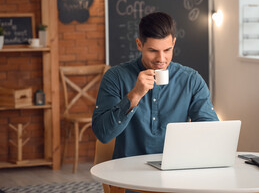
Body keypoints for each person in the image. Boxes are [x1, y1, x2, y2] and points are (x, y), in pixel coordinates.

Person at [92, 12, 218, 160]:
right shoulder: (115, 77)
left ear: (174, 43)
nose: (161, 59)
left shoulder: (191, 80)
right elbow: (103, 134)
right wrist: (135, 95)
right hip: (127, 173)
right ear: (139, 44)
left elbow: (211, 133)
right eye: (153, 51)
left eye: (167, 50)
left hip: (176, 170)